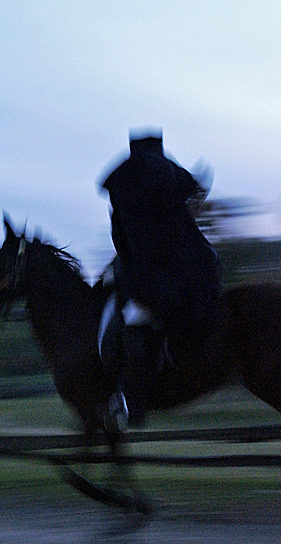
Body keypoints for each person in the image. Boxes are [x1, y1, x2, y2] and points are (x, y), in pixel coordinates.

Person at [99, 131, 221, 428]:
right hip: (200, 278)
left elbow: (122, 245)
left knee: (131, 320)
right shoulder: (174, 197)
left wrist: (121, 270)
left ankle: (134, 402)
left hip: (155, 284)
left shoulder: (126, 202)